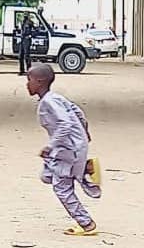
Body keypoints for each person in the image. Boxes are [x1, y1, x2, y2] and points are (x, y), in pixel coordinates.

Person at [26, 63, 101, 236]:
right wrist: (84, 131)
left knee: (62, 188)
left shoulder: (48, 102)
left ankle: (86, 223)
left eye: (29, 80)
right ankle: (81, 171)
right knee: (47, 175)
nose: (27, 84)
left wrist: (50, 145)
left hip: (68, 149)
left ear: (39, 81)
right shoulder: (55, 97)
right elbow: (78, 112)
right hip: (71, 147)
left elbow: (65, 123)